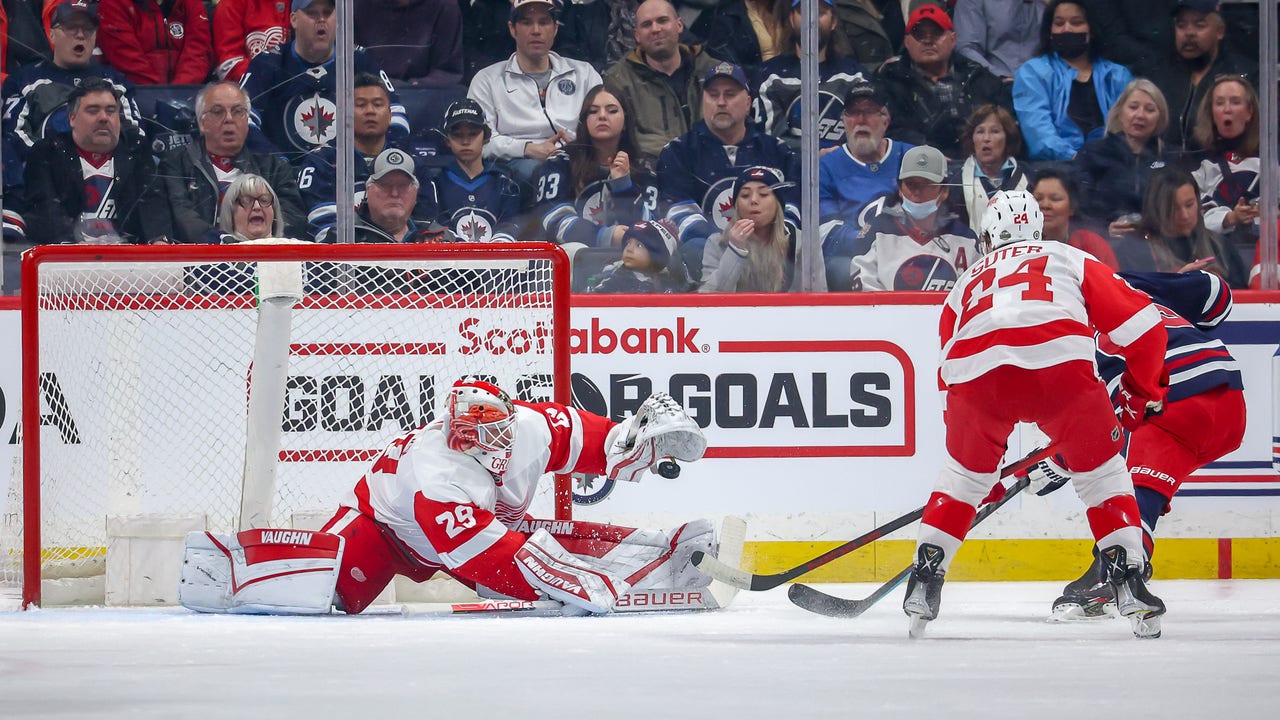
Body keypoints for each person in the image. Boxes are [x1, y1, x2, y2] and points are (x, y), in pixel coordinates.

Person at [179, 380, 714, 616]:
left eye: (498, 432)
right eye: (476, 437)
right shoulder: (438, 479)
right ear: (456, 435)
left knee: (544, 550)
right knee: (334, 587)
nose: (491, 445)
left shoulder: (526, 424)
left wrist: (639, 444)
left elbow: (593, 437)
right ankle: (227, 566)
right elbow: (492, 559)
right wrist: (577, 582)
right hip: (386, 529)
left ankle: (666, 552)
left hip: (471, 533)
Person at [905, 190, 1169, 639]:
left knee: (962, 479)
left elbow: (948, 371)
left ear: (989, 236)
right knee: (1102, 475)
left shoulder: (966, 280)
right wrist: (1138, 393)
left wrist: (975, 472)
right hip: (1060, 366)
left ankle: (926, 573)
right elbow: (1146, 329)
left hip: (976, 375)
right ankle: (1127, 579)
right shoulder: (1067, 257)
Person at [1043, 269, 1244, 621]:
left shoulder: (1056, 331)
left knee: (1131, 486)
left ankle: (1110, 574)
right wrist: (1156, 288)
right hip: (1227, 398)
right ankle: (1110, 572)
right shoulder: (1122, 283)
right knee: (1142, 493)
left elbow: (1093, 423)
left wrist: (1055, 463)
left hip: (1172, 399)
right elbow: (1218, 298)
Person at [656, 61, 799, 281]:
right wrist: (726, 243)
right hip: (710, 249)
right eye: (713, 95)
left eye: (730, 94)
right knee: (695, 248)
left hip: (768, 245)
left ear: (748, 101)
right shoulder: (678, 151)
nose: (721, 102)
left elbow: (793, 204)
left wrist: (767, 238)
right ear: (703, 101)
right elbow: (678, 211)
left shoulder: (776, 150)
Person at [241, 0, 410, 162]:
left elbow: (395, 113)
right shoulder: (268, 63)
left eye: (328, 13)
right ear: (294, 19)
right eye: (312, 13)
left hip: (347, 177)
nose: (321, 20)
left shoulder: (359, 61)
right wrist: (276, 163)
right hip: (284, 178)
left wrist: (388, 156)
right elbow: (242, 120)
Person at [467, 0, 603, 192]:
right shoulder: (486, 80)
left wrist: (580, 147)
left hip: (578, 159)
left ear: (555, 28)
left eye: (544, 22)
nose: (536, 30)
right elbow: (479, 141)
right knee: (539, 171)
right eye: (526, 22)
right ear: (512, 29)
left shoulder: (585, 74)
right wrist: (527, 148)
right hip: (520, 164)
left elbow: (604, 124)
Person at [22, 78, 171, 245]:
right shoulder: (48, 152)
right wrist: (70, 251)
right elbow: (45, 211)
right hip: (67, 261)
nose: (103, 118)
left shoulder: (135, 149)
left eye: (110, 111)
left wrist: (158, 240)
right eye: (93, 111)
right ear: (72, 118)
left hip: (128, 260)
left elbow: (153, 204)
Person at [158, 81, 308, 243]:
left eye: (238, 111)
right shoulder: (176, 163)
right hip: (198, 260)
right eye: (217, 112)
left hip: (260, 258)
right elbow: (182, 214)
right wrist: (220, 241)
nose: (229, 119)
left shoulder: (274, 167)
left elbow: (294, 218)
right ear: (202, 123)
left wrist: (253, 241)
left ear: (247, 121)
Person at [296, 72, 440, 238]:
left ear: (390, 116)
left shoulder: (412, 165)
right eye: (360, 105)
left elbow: (427, 225)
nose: (370, 111)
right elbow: (324, 230)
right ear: (344, 115)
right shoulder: (322, 162)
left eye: (378, 104)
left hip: (407, 260)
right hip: (345, 260)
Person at [2, 0, 144, 163]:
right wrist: (51, 167)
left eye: (88, 29)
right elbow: (13, 137)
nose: (80, 35)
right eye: (71, 27)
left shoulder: (116, 82)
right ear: (52, 34)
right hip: (47, 178)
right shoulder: (23, 80)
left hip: (107, 177)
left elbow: (136, 135)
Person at [874, 3, 1011, 159]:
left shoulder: (979, 77)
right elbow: (889, 130)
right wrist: (928, 152)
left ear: (953, 39)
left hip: (975, 163)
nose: (928, 41)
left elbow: (1004, 125)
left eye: (936, 33)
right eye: (919, 34)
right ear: (907, 42)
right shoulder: (889, 79)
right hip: (914, 163)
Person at [535, 85, 662, 252]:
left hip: (632, 257)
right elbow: (554, 219)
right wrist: (604, 237)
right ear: (584, 120)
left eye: (612, 110)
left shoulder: (645, 167)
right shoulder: (560, 162)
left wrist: (623, 185)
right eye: (593, 111)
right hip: (575, 257)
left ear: (626, 120)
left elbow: (652, 227)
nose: (602, 116)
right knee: (573, 249)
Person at [817, 77, 913, 289]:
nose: (861, 119)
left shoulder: (910, 156)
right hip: (855, 254)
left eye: (869, 112)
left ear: (885, 120)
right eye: (853, 112)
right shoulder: (828, 165)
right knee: (839, 268)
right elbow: (827, 233)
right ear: (844, 120)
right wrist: (874, 239)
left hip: (910, 248)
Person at [602, 0, 721, 169]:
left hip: (714, 167)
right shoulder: (619, 80)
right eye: (646, 24)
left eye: (662, 21)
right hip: (652, 174)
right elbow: (621, 140)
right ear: (637, 35)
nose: (655, 29)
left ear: (679, 25)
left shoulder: (714, 72)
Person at [1012, 0, 1133, 161]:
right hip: (1057, 167)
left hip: (1112, 166)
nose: (1067, 29)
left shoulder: (1118, 75)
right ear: (1049, 31)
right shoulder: (1032, 72)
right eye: (1059, 23)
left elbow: (1129, 131)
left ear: (1091, 30)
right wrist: (1076, 158)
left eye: (1076, 23)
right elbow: (1039, 134)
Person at [1137, 0, 1257, 160]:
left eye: (1199, 25)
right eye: (1181, 25)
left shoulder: (1243, 74)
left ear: (1220, 31)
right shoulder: (1158, 74)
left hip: (1222, 168)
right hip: (1165, 171)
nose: (1189, 33)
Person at [848, 145, 977, 292]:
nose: (917, 192)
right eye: (911, 184)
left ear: (944, 191)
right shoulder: (876, 232)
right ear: (900, 189)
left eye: (927, 185)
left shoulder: (967, 239)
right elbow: (866, 295)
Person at [754, 0, 868, 153]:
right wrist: (816, 154)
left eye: (820, 13)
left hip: (846, 172)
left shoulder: (856, 77)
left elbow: (868, 133)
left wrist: (839, 157)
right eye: (804, 12)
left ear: (833, 22)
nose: (811, 20)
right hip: (789, 173)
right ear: (792, 19)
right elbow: (770, 141)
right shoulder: (769, 76)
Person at [1111, 165, 1247, 288]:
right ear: (1156, 208)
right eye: (1174, 208)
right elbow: (1134, 300)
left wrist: (1221, 288)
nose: (1185, 215)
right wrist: (1178, 284)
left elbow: (1246, 301)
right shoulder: (1134, 249)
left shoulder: (1220, 246)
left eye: (1189, 205)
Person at [699, 165, 822, 293]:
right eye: (745, 195)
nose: (754, 200)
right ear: (736, 206)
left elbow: (819, 298)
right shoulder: (717, 243)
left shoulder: (802, 243)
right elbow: (708, 300)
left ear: (777, 204)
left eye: (763, 194)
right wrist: (735, 250)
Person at [1074, 78, 1173, 232]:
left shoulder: (1170, 158)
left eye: (1149, 109)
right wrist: (1105, 229)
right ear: (1120, 112)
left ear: (1160, 117)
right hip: (1105, 242)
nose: (1140, 115)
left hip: (1158, 240)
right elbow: (1079, 208)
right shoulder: (1094, 153)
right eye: (1133, 107)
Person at [1189, 74, 1264, 268]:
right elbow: (1191, 213)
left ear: (1250, 112)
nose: (1227, 109)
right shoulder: (1197, 161)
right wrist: (1230, 218)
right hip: (1218, 256)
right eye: (1220, 103)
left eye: (1236, 102)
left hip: (1267, 255)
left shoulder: (1271, 157)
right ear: (1211, 112)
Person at [430, 98, 523, 243]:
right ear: (447, 140)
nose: (466, 141)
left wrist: (494, 255)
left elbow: (510, 225)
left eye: (473, 134)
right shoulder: (436, 183)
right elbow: (437, 227)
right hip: (451, 261)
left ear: (485, 137)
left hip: (498, 261)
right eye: (457, 135)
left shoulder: (505, 183)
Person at [316, 147, 453, 244]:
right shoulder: (343, 237)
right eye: (385, 185)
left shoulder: (440, 237)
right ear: (368, 190)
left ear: (415, 193)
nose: (394, 193)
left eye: (403, 186)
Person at [947, 104, 1030, 237]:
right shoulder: (955, 182)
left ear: (1007, 137)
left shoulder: (1029, 178)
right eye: (980, 131)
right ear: (972, 139)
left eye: (994, 131)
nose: (986, 138)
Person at [96, 0, 214, 85]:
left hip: (186, 94)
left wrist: (179, 89)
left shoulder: (191, 3)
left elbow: (198, 51)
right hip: (133, 94)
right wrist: (158, 94)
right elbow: (126, 57)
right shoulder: (114, 4)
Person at [354, 0, 463, 87]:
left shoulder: (445, 6)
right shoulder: (354, 6)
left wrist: (413, 86)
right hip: (366, 94)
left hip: (422, 97)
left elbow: (448, 71)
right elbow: (346, 70)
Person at [1030, 165, 1119, 269]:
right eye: (1038, 198)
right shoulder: (1018, 244)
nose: (1045, 205)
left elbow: (1112, 283)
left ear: (1072, 207)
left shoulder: (1091, 245)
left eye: (1055, 199)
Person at [584, 219, 689, 293]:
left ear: (656, 255)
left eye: (639, 245)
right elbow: (594, 299)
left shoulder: (667, 281)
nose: (629, 249)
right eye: (628, 243)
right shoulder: (617, 278)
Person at [691, 0, 784, 77]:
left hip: (791, 76)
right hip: (758, 83)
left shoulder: (786, 9)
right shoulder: (728, 17)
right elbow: (727, 64)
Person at [953, 0, 1045, 78]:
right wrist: (1000, 78)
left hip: (1044, 83)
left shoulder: (1044, 4)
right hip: (994, 84)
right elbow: (967, 49)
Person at [211, 0, 289, 82]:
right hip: (249, 87)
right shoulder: (231, 4)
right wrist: (269, 74)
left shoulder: (298, 4)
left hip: (292, 82)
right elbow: (228, 66)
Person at [209, 173, 284, 243]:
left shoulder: (293, 249)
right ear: (230, 213)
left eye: (264, 200)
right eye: (246, 201)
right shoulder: (216, 255)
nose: (257, 207)